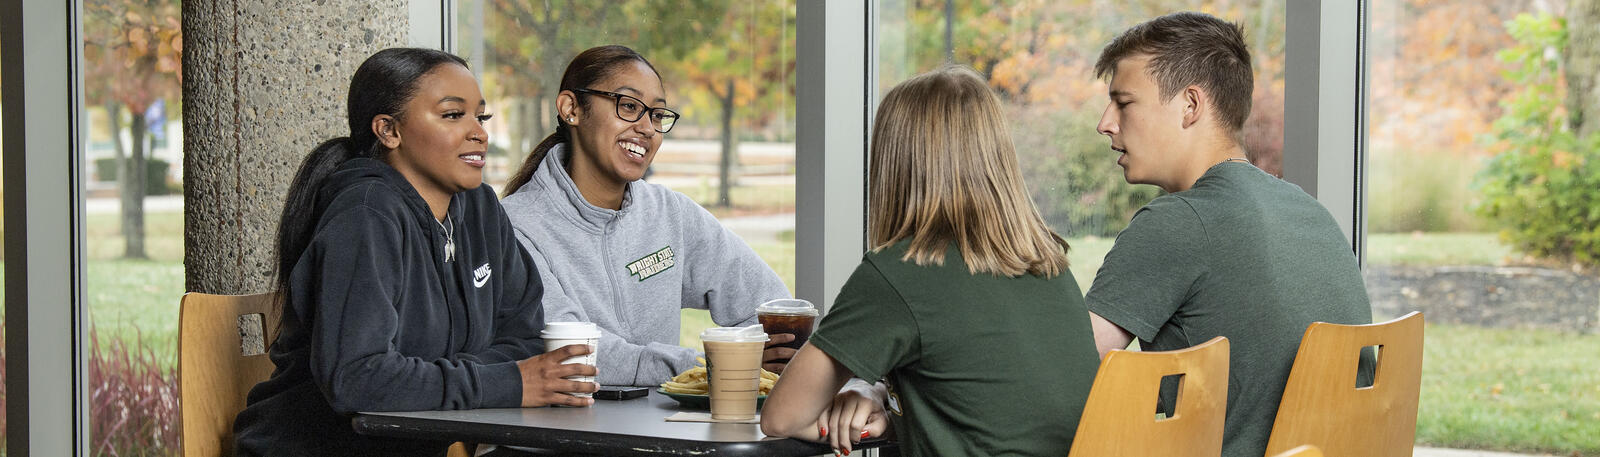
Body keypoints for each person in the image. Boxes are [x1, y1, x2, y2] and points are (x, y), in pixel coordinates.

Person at [232, 48, 597, 457]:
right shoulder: (365, 215)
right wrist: (506, 381)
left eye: (481, 116)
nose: (479, 132)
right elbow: (358, 378)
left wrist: (449, 378)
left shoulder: (480, 210)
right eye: (452, 115)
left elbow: (527, 339)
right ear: (389, 131)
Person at [760, 66, 1102, 456]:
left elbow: (782, 418)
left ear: (892, 164)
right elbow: (981, 406)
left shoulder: (899, 274)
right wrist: (889, 407)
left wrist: (864, 412)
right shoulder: (1049, 264)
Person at [1084, 12, 1374, 457]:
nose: (1106, 123)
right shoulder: (1309, 211)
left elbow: (1071, 373)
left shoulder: (1177, 222)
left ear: (1190, 106)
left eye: (1124, 103)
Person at [498, 45, 793, 386]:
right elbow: (576, 354)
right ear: (571, 109)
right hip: (563, 435)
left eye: (656, 115)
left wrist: (766, 354)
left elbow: (771, 305)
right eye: (628, 106)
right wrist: (717, 366)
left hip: (663, 430)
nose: (648, 129)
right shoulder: (515, 227)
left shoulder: (670, 214)